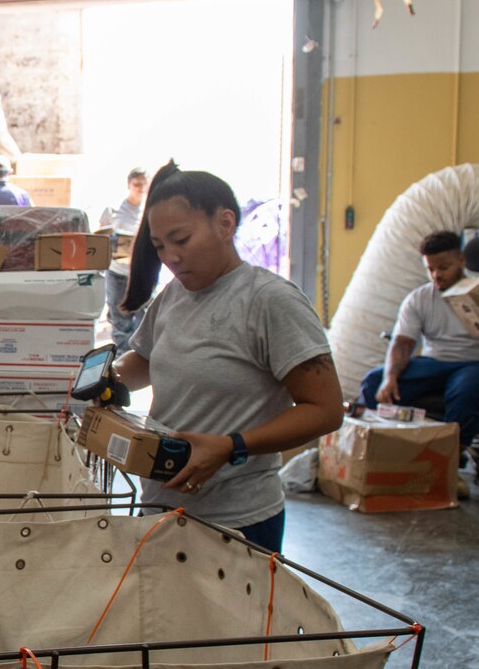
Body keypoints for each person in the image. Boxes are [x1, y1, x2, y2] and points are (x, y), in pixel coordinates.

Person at [112, 163, 344, 554]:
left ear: (225, 223)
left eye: (181, 239)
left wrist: (230, 445)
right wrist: (107, 378)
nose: (170, 256)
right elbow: (147, 361)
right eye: (159, 246)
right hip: (161, 507)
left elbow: (325, 409)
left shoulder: (269, 301)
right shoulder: (174, 296)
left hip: (237, 521)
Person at [361, 231, 479, 451]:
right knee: (373, 382)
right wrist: (390, 377)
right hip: (433, 363)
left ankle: (451, 459)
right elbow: (402, 342)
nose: (436, 275)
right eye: (430, 269)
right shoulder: (420, 298)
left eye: (444, 268)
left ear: (461, 260)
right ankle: (388, 453)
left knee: (467, 390)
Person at [98, 166, 150, 350]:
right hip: (118, 271)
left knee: (144, 316)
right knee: (120, 318)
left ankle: (139, 355)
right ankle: (122, 358)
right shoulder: (114, 209)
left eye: (144, 184)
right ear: (129, 184)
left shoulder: (150, 210)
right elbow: (101, 237)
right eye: (137, 184)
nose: (141, 188)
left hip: (141, 272)